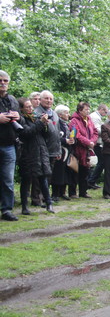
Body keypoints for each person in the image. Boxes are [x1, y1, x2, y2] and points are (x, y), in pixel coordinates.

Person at [17, 97, 55, 214]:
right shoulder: (21, 120)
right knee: (26, 179)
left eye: (31, 106)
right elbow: (27, 133)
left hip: (41, 151)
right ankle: (24, 206)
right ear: (21, 109)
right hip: (28, 153)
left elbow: (46, 134)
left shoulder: (35, 118)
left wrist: (45, 125)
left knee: (43, 178)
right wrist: (40, 123)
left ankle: (49, 203)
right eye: (27, 107)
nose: (30, 108)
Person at [32, 90, 61, 207]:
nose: (49, 101)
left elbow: (58, 132)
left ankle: (45, 197)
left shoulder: (54, 114)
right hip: (41, 149)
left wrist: (58, 150)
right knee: (39, 175)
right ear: (40, 99)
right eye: (46, 98)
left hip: (53, 149)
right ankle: (36, 199)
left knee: (48, 175)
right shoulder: (36, 113)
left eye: (50, 99)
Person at [0, 70, 20, 221]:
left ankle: (7, 209)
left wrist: (17, 116)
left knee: (8, 179)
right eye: (0, 80)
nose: (3, 83)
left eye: (5, 81)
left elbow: (18, 116)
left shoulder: (12, 99)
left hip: (9, 144)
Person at [69, 102, 98, 199]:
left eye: (89, 109)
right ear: (80, 110)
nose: (88, 111)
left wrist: (92, 142)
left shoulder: (89, 119)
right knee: (74, 171)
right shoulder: (74, 120)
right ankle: (72, 192)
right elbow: (76, 134)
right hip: (77, 149)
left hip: (87, 150)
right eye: (86, 109)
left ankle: (83, 191)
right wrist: (87, 142)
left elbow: (95, 132)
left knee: (85, 171)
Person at [50, 104, 75, 201]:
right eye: (66, 113)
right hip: (59, 150)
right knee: (58, 172)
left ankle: (62, 192)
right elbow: (56, 136)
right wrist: (65, 141)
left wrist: (72, 140)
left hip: (67, 150)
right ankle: (55, 193)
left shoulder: (66, 123)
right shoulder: (57, 123)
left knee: (65, 171)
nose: (68, 115)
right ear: (60, 114)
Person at [87, 104, 108, 189]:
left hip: (97, 142)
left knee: (100, 162)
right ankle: (91, 181)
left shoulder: (96, 116)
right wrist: (106, 131)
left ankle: (91, 181)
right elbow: (97, 130)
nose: (105, 114)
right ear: (101, 109)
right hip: (97, 142)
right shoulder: (95, 117)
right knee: (101, 162)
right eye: (105, 112)